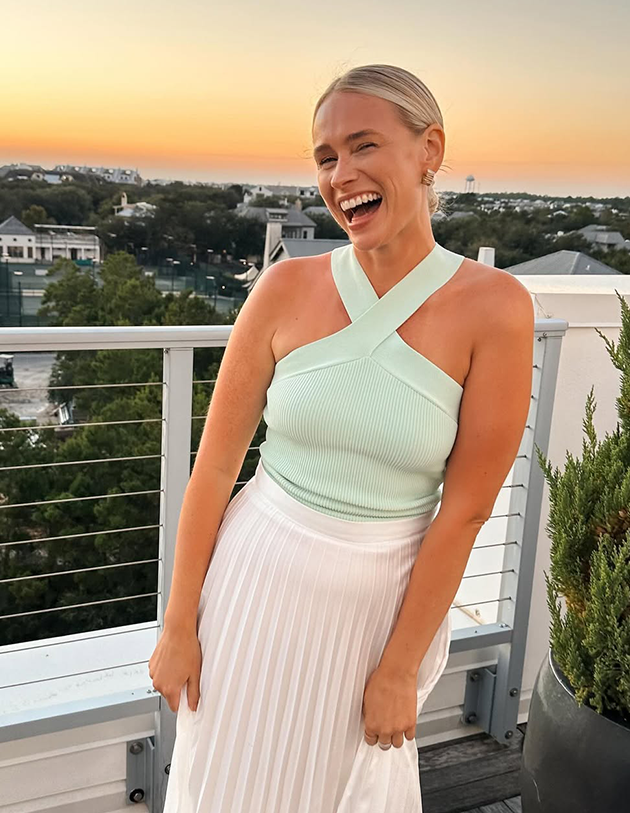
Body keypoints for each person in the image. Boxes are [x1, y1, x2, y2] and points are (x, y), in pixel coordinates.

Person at [149, 63, 535, 812]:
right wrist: (178, 624)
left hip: (377, 606)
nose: (341, 174)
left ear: (429, 150)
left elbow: (465, 511)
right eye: (326, 157)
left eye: (364, 145)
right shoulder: (283, 288)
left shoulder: (496, 307)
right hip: (252, 583)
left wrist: (400, 666)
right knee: (225, 783)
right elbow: (215, 469)